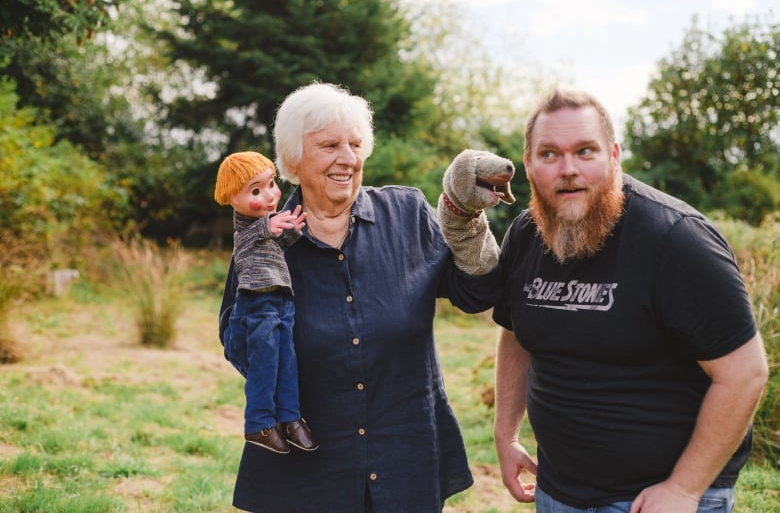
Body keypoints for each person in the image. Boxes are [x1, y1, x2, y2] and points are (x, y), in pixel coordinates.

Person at [218, 82, 503, 511]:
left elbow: (475, 294)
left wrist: (465, 220)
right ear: (293, 159)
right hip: (309, 467)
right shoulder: (264, 242)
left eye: (355, 144)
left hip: (406, 457)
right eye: (330, 145)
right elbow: (235, 341)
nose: (348, 158)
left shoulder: (407, 214)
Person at [492, 88, 769, 513]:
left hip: (656, 498)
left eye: (585, 151)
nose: (569, 169)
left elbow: (745, 374)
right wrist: (506, 435)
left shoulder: (676, 240)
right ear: (528, 165)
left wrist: (684, 488)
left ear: (614, 155)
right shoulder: (525, 235)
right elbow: (515, 334)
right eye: (549, 154)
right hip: (557, 492)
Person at [214, 151, 317, 454]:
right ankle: (258, 424)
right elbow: (246, 243)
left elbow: (276, 246)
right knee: (266, 365)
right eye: (256, 191)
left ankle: (290, 418)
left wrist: (292, 231)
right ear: (232, 198)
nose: (271, 196)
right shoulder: (246, 230)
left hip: (281, 302)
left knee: (287, 362)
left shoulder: (266, 225)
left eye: (271, 184)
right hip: (257, 305)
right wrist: (269, 226)